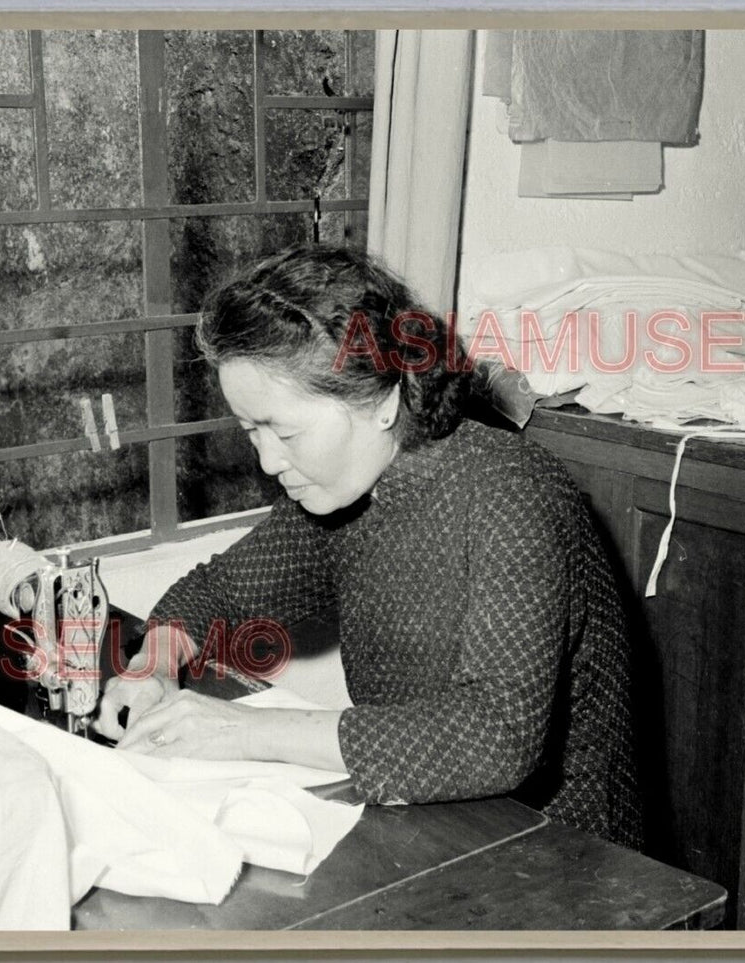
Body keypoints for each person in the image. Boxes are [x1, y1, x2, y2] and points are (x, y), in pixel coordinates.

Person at [90, 245, 643, 850]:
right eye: (252, 431)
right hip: (427, 818)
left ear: (383, 401)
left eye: (286, 431)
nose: (269, 461)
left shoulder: (515, 498)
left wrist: (244, 731)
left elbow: (496, 737)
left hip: (562, 851)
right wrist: (153, 666)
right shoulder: (345, 489)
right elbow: (214, 592)